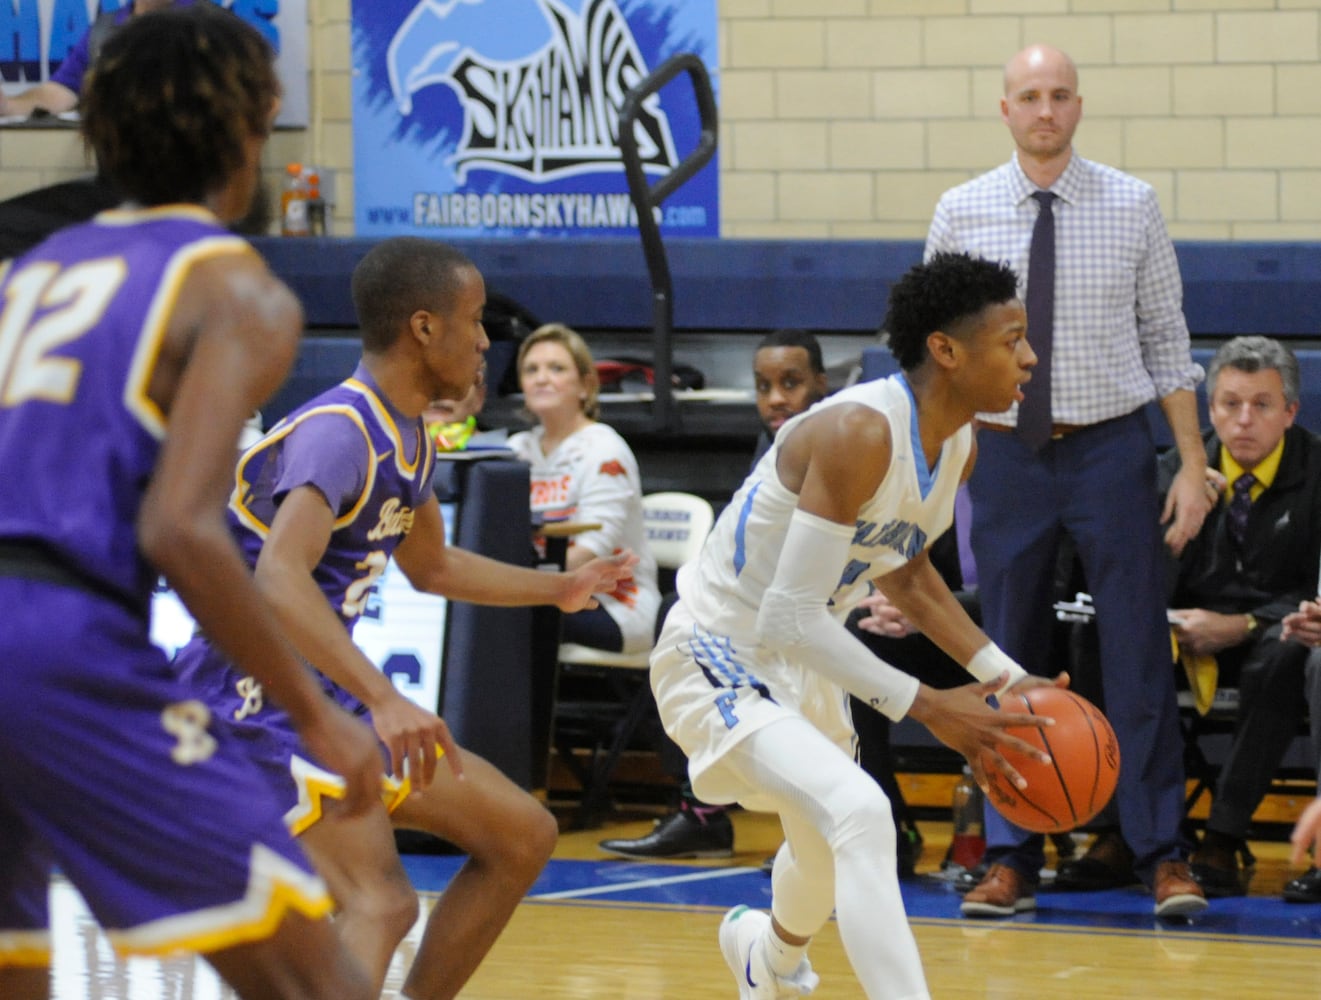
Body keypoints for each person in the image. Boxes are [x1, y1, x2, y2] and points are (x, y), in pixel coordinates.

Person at [0, 8, 382, 999]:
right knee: (316, 983)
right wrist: (317, 715)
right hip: (50, 638)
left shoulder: (33, 268)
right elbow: (179, 527)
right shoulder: (232, 286)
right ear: (251, 128)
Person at [173, 237, 637, 1000]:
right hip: (255, 697)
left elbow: (435, 568)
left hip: (322, 693)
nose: (487, 339)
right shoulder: (341, 431)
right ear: (424, 327)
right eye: (476, 318)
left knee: (522, 834)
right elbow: (279, 579)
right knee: (378, 903)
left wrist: (555, 590)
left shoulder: (409, 431)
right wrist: (385, 699)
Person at [652, 251, 1058, 1000]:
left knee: (826, 851)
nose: (1029, 356)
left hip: (800, 659)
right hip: (718, 648)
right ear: (946, 349)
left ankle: (765, 958)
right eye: (1011, 339)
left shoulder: (958, 443)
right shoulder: (857, 431)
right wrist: (931, 707)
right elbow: (787, 613)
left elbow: (902, 570)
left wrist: (1004, 675)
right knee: (862, 813)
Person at [926, 42, 1214, 920]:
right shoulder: (961, 209)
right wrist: (933, 462)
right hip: (1002, 454)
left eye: (1057, 96)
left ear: (1077, 107)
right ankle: (1010, 856)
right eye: (1028, 96)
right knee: (1001, 658)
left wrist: (1193, 464)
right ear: (1003, 109)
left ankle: (1160, 854)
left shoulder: (1131, 205)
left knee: (1134, 659)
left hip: (1108, 451)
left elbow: (1168, 341)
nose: (1043, 110)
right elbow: (932, 352)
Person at [597, 329, 830, 860]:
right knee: (677, 628)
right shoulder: (772, 443)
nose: (775, 398)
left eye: (790, 383)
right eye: (763, 385)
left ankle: (818, 826)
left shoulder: (836, 440)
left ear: (820, 383)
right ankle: (700, 811)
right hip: (764, 605)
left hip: (824, 604)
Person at [1154, 337, 1321, 899]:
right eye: (1229, 404)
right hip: (1184, 635)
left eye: (1262, 405)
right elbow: (1139, 584)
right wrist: (1186, 531)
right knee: (1110, 640)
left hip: (1274, 637)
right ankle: (1136, 838)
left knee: (1287, 653)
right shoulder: (1177, 469)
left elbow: (1312, 589)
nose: (1243, 420)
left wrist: (1247, 624)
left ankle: (1221, 838)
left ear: (1291, 412)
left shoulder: (1318, 471)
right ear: (1210, 408)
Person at [508, 322, 660, 654]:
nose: (541, 377)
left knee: (510, 614)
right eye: (531, 369)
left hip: (618, 604)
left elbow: (593, 550)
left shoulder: (605, 449)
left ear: (585, 385)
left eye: (557, 368)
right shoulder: (515, 449)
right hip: (544, 592)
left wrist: (519, 585)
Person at [0, 0, 182, 119]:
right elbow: (62, 90)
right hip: (117, 169)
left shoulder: (204, 26)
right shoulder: (104, 29)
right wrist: (8, 106)